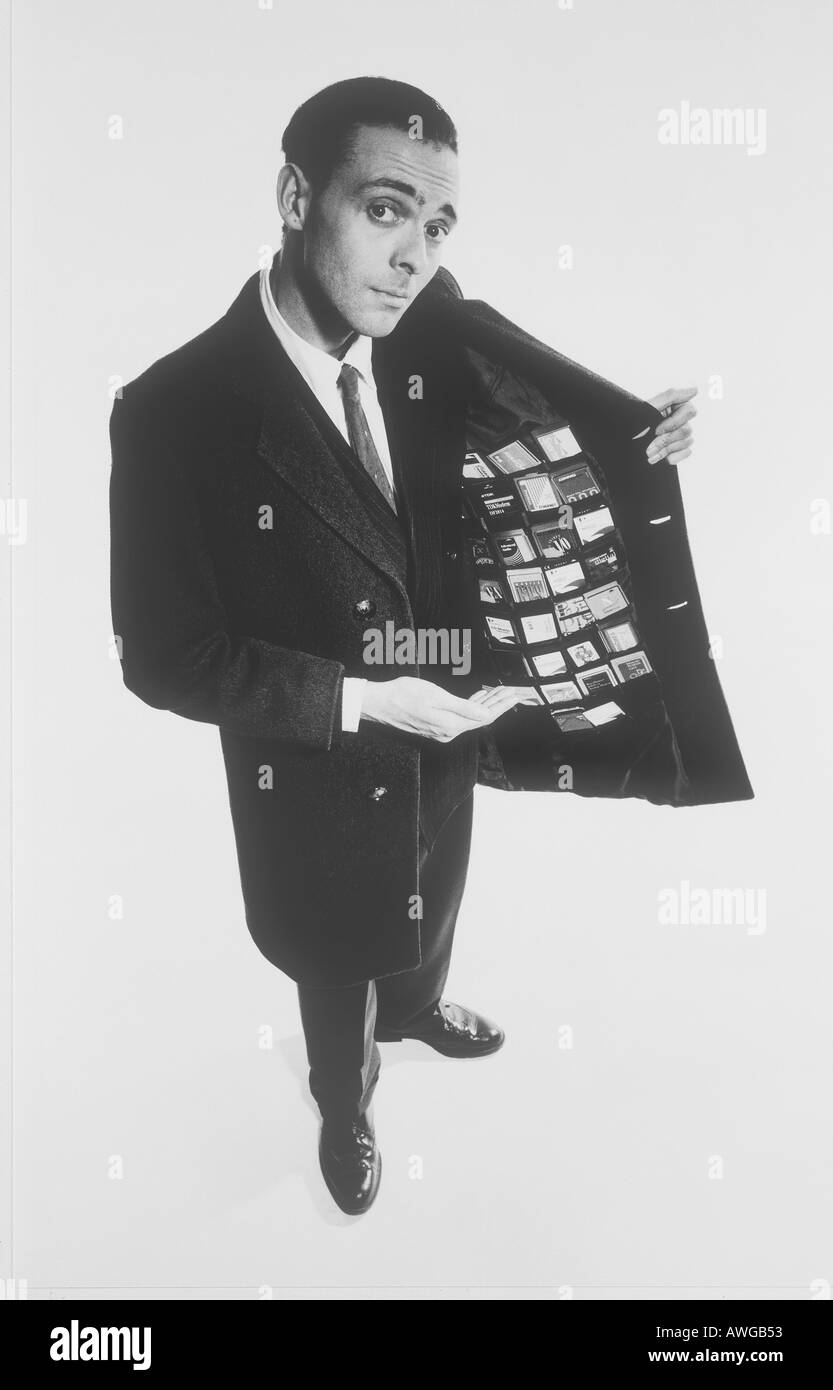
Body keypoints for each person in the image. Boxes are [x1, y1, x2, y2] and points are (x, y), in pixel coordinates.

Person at [109, 76, 746, 1218]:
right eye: (387, 209)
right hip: (310, 762)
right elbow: (164, 655)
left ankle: (412, 1012)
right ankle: (344, 1098)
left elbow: (519, 414)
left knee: (433, 894)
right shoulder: (172, 410)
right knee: (334, 942)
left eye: (438, 223)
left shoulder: (424, 323)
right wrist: (361, 700)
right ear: (297, 196)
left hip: (448, 725)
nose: (414, 256)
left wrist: (630, 439)